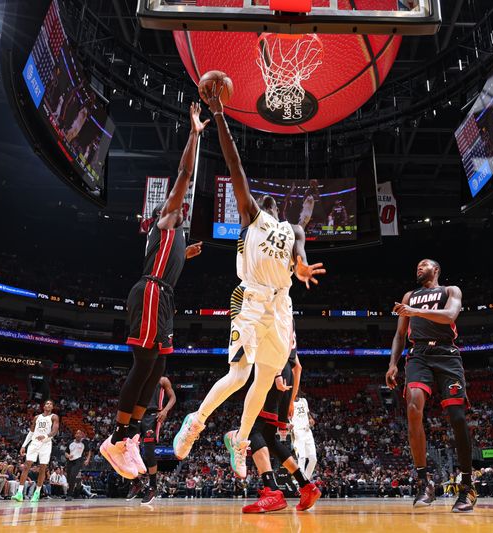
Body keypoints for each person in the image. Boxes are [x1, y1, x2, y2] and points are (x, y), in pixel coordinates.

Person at [172, 82, 325, 479]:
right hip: (251, 298)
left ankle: (239, 440)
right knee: (239, 375)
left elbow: (301, 252)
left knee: (263, 378)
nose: (270, 201)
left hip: (282, 305)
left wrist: (303, 267)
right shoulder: (252, 215)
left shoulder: (294, 229)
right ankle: (197, 420)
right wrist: (220, 114)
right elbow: (235, 165)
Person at [99, 102, 207, 479]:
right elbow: (183, 173)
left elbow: (165, 262)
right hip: (149, 293)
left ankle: (129, 435)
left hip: (164, 298)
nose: (185, 205)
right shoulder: (164, 220)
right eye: (181, 204)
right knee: (144, 363)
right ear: (168, 209)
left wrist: (186, 257)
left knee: (159, 365)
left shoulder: (175, 236)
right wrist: (194, 134)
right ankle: (116, 436)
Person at [386, 259, 476, 512]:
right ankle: (424, 482)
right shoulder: (409, 296)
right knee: (413, 407)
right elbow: (400, 335)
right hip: (418, 355)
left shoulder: (450, 291)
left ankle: (467, 487)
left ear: (435, 270)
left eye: (423, 264)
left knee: (457, 417)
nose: (418, 267)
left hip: (448, 355)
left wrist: (414, 312)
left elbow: (450, 316)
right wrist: (393, 363)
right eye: (416, 265)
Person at [243, 335, 321, 513]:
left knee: (252, 429)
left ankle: (271, 491)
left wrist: (277, 374)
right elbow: (298, 367)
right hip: (288, 377)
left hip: (273, 373)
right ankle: (306, 485)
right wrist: (291, 400)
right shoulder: (290, 320)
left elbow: (272, 344)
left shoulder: (275, 309)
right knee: (269, 438)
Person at [126, 375, 176, 505]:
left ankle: (152, 487)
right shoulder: (140, 377)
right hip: (136, 416)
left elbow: (173, 397)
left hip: (153, 417)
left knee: (148, 452)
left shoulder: (162, 380)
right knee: (127, 449)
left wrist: (165, 411)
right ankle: (136, 483)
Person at [12, 400, 59, 502]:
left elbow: (54, 431)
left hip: (46, 444)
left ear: (52, 407)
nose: (49, 405)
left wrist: (46, 436)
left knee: (42, 468)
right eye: (47, 403)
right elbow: (31, 432)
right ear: (44, 406)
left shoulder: (54, 417)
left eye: (51, 404)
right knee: (26, 466)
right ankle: (19, 493)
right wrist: (24, 445)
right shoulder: (37, 417)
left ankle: (37, 493)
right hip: (34, 443)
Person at [291, 393, 317, 479]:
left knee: (313, 459)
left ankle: (306, 480)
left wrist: (310, 419)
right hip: (297, 431)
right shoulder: (289, 403)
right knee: (301, 458)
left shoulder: (303, 400)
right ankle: (301, 482)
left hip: (307, 431)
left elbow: (308, 413)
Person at [65, 430, 91, 501]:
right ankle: (74, 489)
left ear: (82, 436)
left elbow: (89, 452)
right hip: (70, 461)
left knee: (73, 475)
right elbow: (66, 452)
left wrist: (87, 460)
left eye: (80, 434)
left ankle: (69, 495)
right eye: (77, 433)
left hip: (79, 461)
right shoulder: (70, 443)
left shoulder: (84, 443)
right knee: (69, 478)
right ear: (75, 435)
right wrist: (68, 456)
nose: (79, 435)